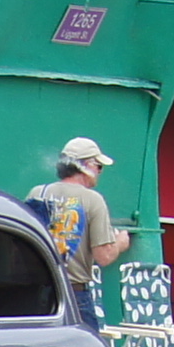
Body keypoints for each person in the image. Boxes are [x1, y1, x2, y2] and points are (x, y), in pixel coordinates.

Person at [31, 134, 133, 322]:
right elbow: (104, 256)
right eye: (98, 166)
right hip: (73, 295)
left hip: (37, 291)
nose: (100, 171)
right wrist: (120, 243)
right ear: (84, 166)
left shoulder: (38, 193)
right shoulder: (93, 200)